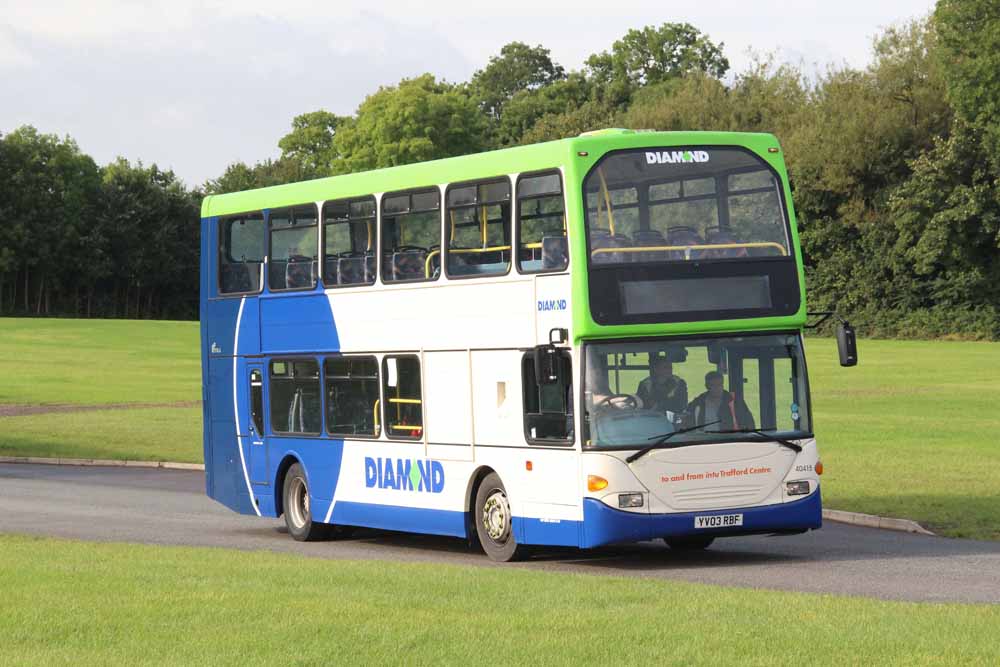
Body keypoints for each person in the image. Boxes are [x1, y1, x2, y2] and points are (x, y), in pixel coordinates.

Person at [687, 371, 755, 431]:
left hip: (731, 441)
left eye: (720, 385)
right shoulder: (698, 403)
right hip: (705, 441)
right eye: (713, 385)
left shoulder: (735, 401)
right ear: (707, 386)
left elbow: (749, 423)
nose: (717, 388)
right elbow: (687, 423)